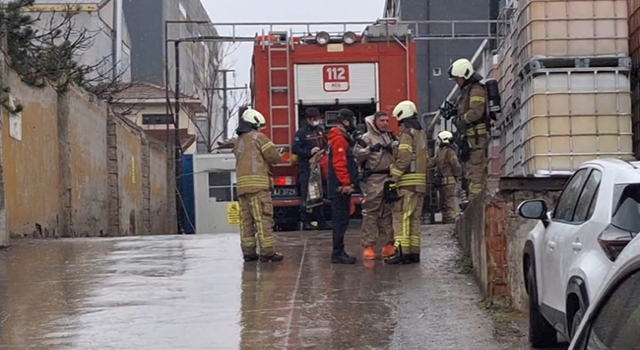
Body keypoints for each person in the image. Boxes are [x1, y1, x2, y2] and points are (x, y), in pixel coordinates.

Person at [233, 108, 284, 263]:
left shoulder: (238, 141)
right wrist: (280, 153)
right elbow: (274, 157)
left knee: (246, 222)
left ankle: (248, 252)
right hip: (258, 187)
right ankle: (267, 252)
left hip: (242, 188)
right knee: (263, 219)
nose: (260, 129)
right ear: (254, 124)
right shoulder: (259, 137)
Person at [386, 100, 430, 265]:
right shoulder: (421, 134)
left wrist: (393, 178)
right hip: (420, 184)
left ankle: (402, 253)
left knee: (402, 218)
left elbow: (404, 159)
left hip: (407, 184)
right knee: (415, 219)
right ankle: (413, 252)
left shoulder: (407, 134)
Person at [354, 111, 397, 260]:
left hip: (390, 177)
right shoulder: (366, 138)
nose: (385, 123)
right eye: (382, 120)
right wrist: (370, 149)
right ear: (375, 122)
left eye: (387, 120)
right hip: (374, 178)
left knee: (388, 212)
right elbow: (357, 155)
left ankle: (388, 244)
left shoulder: (390, 136)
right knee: (371, 212)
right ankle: (369, 245)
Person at [448, 58, 488, 203]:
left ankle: (476, 202)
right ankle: (473, 200)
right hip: (470, 139)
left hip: (477, 138)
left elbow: (476, 112)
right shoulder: (467, 91)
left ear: (465, 75)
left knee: (476, 172)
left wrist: (462, 119)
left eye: (457, 78)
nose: (456, 82)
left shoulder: (476, 89)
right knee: (470, 170)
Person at [326, 108, 359, 264]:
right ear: (346, 121)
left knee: (341, 220)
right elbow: (340, 164)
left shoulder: (339, 137)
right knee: (340, 220)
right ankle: (338, 253)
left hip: (338, 186)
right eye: (352, 120)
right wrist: (346, 183)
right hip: (340, 188)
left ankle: (338, 251)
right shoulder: (339, 139)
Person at [292, 107, 332, 231]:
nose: (317, 121)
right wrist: (309, 152)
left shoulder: (320, 131)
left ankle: (321, 221)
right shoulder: (301, 133)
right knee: (306, 195)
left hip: (319, 168)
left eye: (318, 119)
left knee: (319, 195)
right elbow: (295, 148)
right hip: (306, 168)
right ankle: (306, 221)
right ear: (308, 119)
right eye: (314, 119)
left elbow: (326, 144)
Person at [433, 130, 462, 224]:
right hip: (442, 183)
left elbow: (455, 165)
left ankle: (451, 224)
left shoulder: (450, 152)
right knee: (443, 205)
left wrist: (457, 175)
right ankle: (447, 222)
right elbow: (433, 161)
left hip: (449, 183)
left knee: (450, 204)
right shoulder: (440, 151)